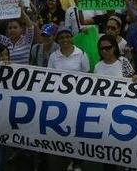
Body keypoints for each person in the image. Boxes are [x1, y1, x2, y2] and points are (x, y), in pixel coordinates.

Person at [47, 27, 89, 171]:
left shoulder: (81, 53)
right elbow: (50, 77)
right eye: (62, 37)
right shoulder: (53, 56)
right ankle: (69, 158)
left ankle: (77, 161)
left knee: (77, 130)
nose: (65, 40)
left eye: (67, 36)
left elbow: (87, 74)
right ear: (58, 40)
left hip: (78, 99)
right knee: (64, 130)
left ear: (72, 38)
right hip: (60, 100)